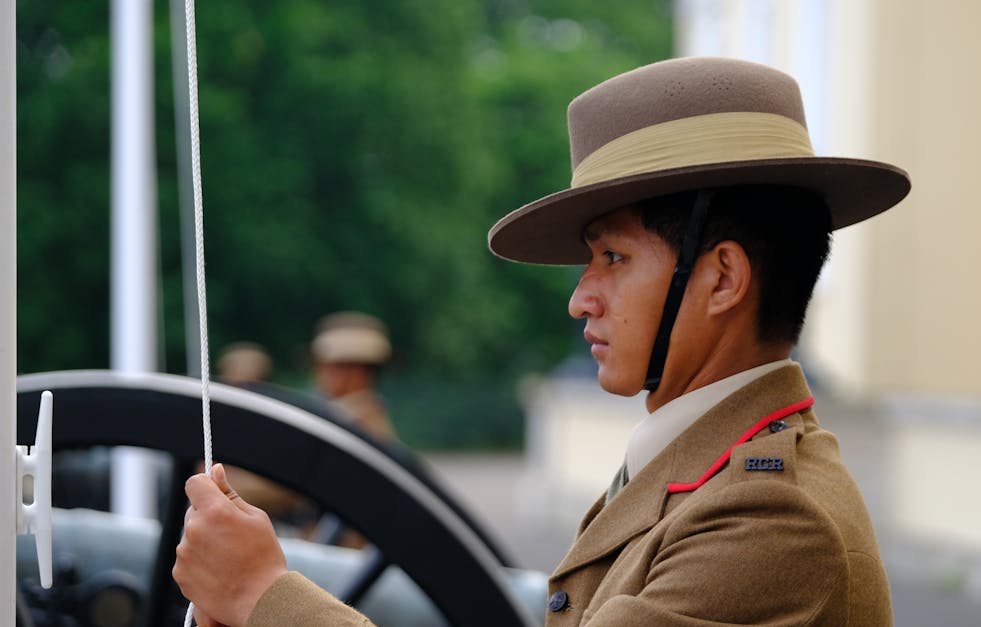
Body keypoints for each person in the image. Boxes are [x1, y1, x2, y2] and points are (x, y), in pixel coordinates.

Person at [173, 56, 910, 626]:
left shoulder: (773, 521)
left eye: (612, 258)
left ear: (720, 279)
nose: (579, 298)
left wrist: (266, 593)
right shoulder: (702, 474)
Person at [310, 311, 398, 444]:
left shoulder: (359, 423)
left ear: (357, 373)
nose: (319, 372)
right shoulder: (335, 414)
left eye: (331, 367)